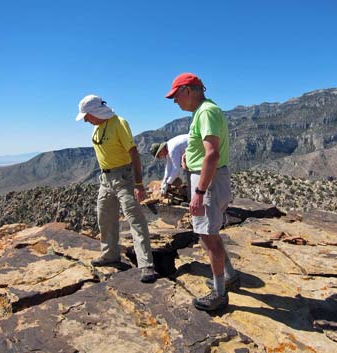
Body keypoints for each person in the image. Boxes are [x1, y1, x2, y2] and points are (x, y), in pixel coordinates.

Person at [165, 73, 240, 311]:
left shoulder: (206, 112)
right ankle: (229, 276)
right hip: (211, 178)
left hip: (208, 182)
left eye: (176, 96)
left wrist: (198, 191)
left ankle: (219, 293)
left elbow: (212, 154)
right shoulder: (205, 111)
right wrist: (190, 156)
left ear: (188, 90)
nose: (175, 101)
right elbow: (204, 149)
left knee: (208, 237)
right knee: (211, 233)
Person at [75, 94, 156, 283]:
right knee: (105, 217)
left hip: (124, 178)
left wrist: (138, 184)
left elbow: (134, 153)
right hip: (105, 178)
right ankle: (110, 254)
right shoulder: (98, 127)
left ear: (95, 111)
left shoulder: (119, 123)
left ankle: (146, 265)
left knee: (135, 219)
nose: (86, 120)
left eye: (87, 115)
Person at [149, 134, 191, 200]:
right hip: (194, 152)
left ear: (160, 150)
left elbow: (176, 169)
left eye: (158, 156)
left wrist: (168, 183)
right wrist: (164, 181)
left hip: (200, 149)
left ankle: (193, 199)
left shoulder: (172, 149)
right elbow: (168, 167)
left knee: (191, 176)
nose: (160, 158)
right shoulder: (168, 147)